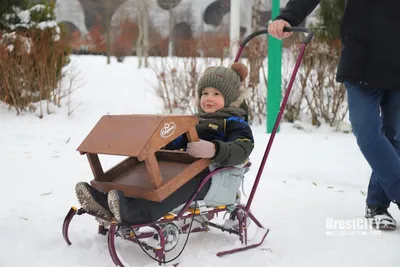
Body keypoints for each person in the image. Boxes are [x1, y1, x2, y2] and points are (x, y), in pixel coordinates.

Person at [268, 0, 400, 230]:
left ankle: (377, 205)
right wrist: (288, 16)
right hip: (362, 60)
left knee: (395, 137)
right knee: (367, 133)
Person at [75, 62, 254, 226]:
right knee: (147, 173)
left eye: (216, 94)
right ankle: (107, 201)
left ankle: (135, 213)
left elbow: (242, 149)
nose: (208, 98)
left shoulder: (234, 123)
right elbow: (178, 140)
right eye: (205, 93)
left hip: (212, 178)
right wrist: (160, 142)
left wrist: (214, 149)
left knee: (173, 188)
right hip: (185, 168)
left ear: (230, 98)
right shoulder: (195, 120)